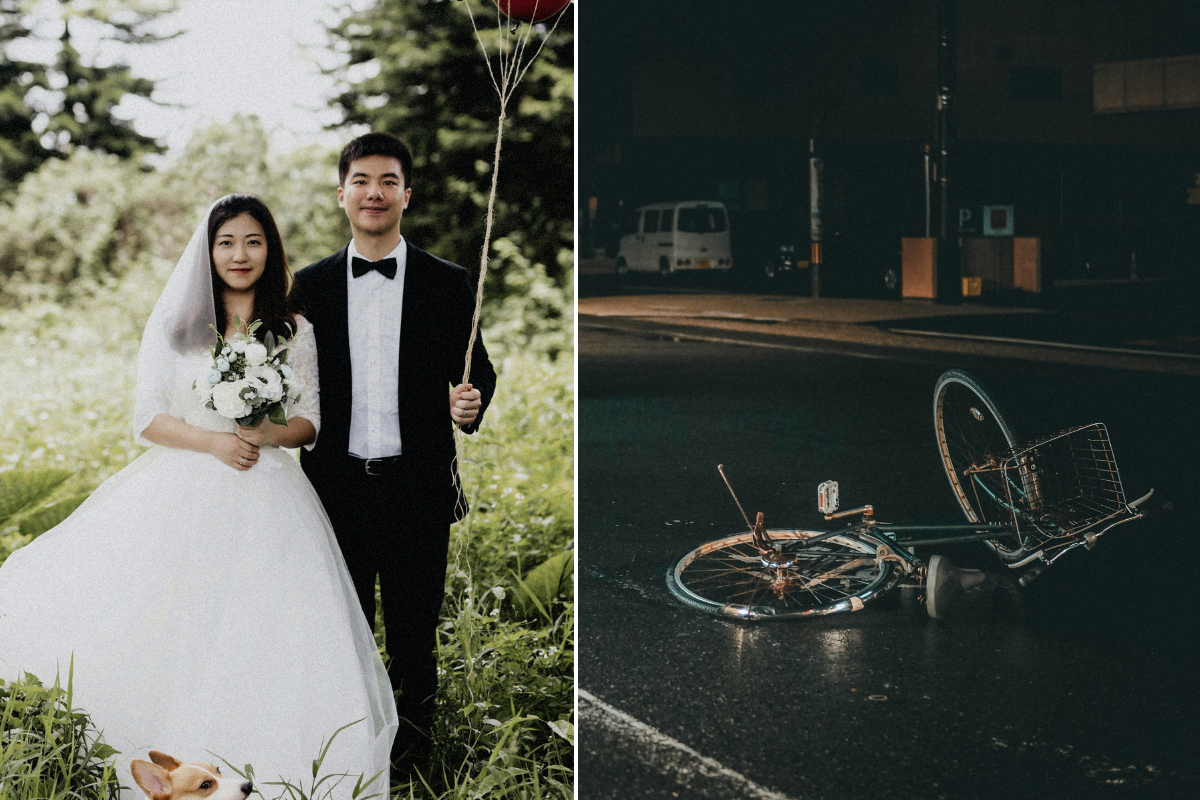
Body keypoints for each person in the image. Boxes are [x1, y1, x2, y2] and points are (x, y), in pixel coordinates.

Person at [0, 195, 397, 794]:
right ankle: (174, 771)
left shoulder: (295, 328)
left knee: (265, 631)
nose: (240, 255)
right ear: (208, 251)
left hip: (270, 496)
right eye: (227, 242)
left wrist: (269, 433)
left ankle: (278, 766)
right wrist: (212, 444)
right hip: (184, 487)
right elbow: (146, 420)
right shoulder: (176, 327)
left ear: (271, 249)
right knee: (173, 623)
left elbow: (311, 419)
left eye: (254, 242)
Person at [293, 132, 497, 774]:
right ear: (341, 194)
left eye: (387, 181)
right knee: (342, 638)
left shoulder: (448, 282)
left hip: (417, 489)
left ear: (407, 194)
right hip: (335, 491)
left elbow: (478, 373)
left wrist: (469, 404)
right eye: (360, 180)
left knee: (414, 640)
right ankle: (349, 758)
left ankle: (413, 766)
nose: (373, 192)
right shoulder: (310, 287)